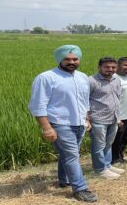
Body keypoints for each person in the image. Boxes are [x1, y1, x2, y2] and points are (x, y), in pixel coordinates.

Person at [28, 45, 97, 203]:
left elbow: (84, 101)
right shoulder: (46, 77)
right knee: (72, 155)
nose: (71, 62)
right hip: (60, 123)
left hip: (79, 122)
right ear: (60, 59)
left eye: (75, 59)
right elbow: (37, 105)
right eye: (67, 59)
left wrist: (87, 119)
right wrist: (46, 128)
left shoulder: (82, 77)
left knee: (67, 154)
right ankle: (80, 188)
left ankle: (63, 180)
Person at [88, 57, 125, 179]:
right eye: (107, 67)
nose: (110, 69)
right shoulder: (91, 81)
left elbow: (117, 98)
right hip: (98, 118)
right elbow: (84, 100)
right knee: (98, 145)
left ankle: (107, 165)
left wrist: (118, 117)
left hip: (113, 118)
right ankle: (99, 169)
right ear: (99, 67)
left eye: (113, 67)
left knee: (108, 144)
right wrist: (87, 119)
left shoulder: (116, 79)